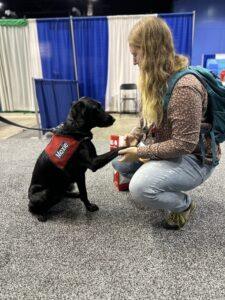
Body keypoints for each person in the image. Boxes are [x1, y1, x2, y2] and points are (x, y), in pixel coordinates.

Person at [112, 16, 221, 230]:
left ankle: (183, 205)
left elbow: (184, 145)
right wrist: (136, 135)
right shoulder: (156, 79)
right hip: (166, 148)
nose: (134, 61)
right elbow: (147, 119)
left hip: (195, 159)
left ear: (151, 51)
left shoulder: (185, 88)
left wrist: (142, 153)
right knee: (119, 163)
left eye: (136, 54)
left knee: (140, 188)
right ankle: (157, 179)